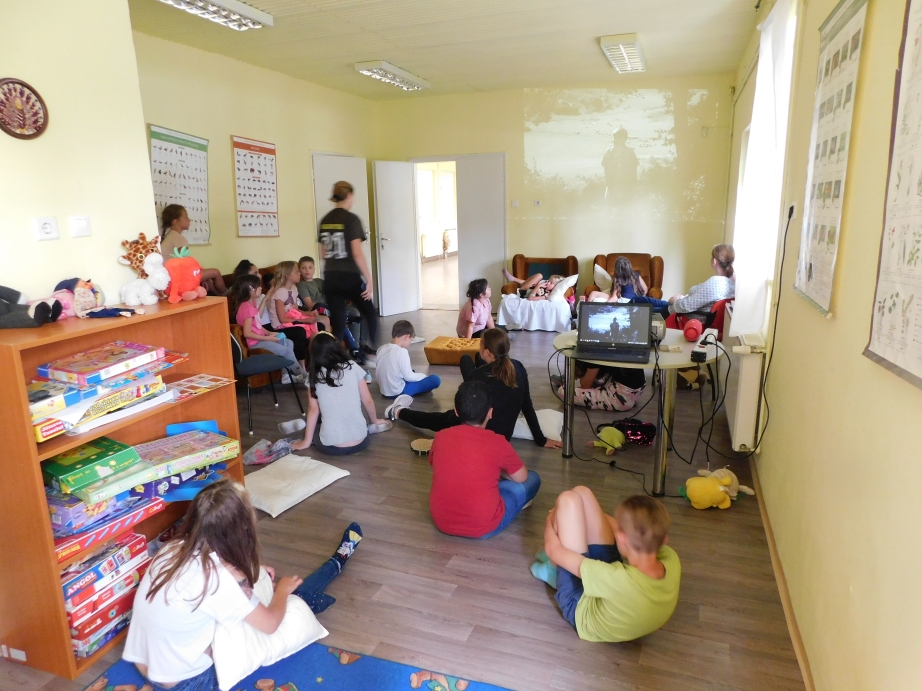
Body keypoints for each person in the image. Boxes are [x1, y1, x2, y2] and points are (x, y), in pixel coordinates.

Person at [123, 479, 363, 690]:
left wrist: (250, 573)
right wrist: (282, 591)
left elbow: (218, 570)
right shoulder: (216, 580)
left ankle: (321, 580)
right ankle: (330, 568)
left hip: (144, 663)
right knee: (280, 609)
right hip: (187, 683)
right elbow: (270, 625)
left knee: (252, 594)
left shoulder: (172, 549)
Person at [531, 488, 680, 643]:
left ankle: (554, 571)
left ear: (622, 538)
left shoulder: (618, 579)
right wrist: (580, 515)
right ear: (664, 540)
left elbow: (553, 550)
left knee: (567, 500)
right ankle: (564, 563)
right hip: (616, 591)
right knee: (582, 492)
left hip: (580, 607)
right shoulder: (671, 559)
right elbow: (618, 530)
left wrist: (551, 518)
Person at [387, 328, 563, 450]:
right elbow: (527, 405)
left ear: (487, 351)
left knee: (434, 419)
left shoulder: (478, 376)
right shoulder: (519, 367)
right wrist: (541, 440)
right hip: (503, 436)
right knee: (468, 360)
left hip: (478, 432)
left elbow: (462, 409)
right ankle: (400, 411)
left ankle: (398, 411)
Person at [428, 381, 541, 538]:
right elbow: (522, 477)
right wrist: (498, 472)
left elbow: (440, 465)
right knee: (533, 478)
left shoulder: (440, 437)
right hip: (484, 527)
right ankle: (516, 503)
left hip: (442, 521)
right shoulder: (498, 442)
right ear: (490, 412)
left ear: (456, 411)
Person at [291, 333, 389, 456]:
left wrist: (306, 442)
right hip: (361, 442)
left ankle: (304, 423)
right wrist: (374, 420)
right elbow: (367, 400)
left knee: (318, 419)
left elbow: (313, 409)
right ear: (337, 347)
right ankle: (369, 427)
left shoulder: (314, 375)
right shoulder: (353, 366)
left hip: (331, 448)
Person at [318, 181, 378, 363]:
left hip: (330, 277)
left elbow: (323, 253)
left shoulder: (325, 220)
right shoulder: (352, 220)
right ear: (349, 196)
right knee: (370, 313)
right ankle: (374, 352)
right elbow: (357, 253)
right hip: (349, 277)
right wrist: (369, 279)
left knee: (338, 323)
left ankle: (333, 362)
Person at [233, 275, 305, 385]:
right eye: (258, 286)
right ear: (252, 290)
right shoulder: (246, 308)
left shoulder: (251, 303)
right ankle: (302, 374)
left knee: (288, 343)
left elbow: (257, 323)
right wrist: (268, 338)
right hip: (255, 343)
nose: (261, 288)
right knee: (286, 351)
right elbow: (247, 333)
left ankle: (286, 376)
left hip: (261, 339)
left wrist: (270, 333)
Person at [298, 255, 362, 355]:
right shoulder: (302, 285)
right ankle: (354, 349)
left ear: (314, 269)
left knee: (356, 311)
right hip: (317, 310)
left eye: (310, 267)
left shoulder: (319, 281)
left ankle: (359, 346)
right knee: (336, 315)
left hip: (330, 307)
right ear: (299, 270)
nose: (307, 270)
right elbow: (309, 304)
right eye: (303, 268)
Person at [158, 205, 227, 295]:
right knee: (215, 272)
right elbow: (186, 264)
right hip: (178, 278)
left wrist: (201, 274)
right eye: (186, 217)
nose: (189, 220)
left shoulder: (171, 236)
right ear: (175, 221)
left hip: (172, 276)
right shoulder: (178, 238)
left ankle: (220, 297)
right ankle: (227, 294)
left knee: (207, 277)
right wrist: (198, 274)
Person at [376, 320, 441, 397]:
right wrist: (423, 376)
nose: (410, 342)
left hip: (383, 391)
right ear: (407, 336)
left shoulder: (381, 348)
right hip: (398, 392)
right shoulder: (402, 352)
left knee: (405, 373)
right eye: (411, 339)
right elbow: (409, 377)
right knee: (435, 379)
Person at [553, 361, 646, 412]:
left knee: (563, 391)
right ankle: (578, 378)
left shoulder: (594, 350)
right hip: (636, 391)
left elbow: (585, 385)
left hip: (621, 398)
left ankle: (572, 379)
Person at [583, 257, 648, 303]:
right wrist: (640, 297)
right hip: (635, 300)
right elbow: (645, 289)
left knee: (593, 293)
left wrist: (605, 306)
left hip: (623, 301)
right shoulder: (636, 274)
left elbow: (614, 298)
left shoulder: (618, 278)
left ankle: (587, 312)